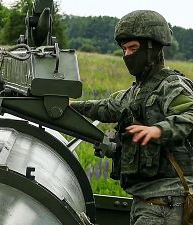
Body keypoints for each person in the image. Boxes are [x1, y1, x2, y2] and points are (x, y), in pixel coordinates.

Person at [71, 10, 193, 225]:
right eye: (124, 49)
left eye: (133, 48)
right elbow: (106, 107)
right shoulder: (137, 91)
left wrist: (159, 130)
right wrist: (70, 106)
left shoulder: (171, 85)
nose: (127, 55)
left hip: (166, 202)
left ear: (152, 48)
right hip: (145, 201)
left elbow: (190, 114)